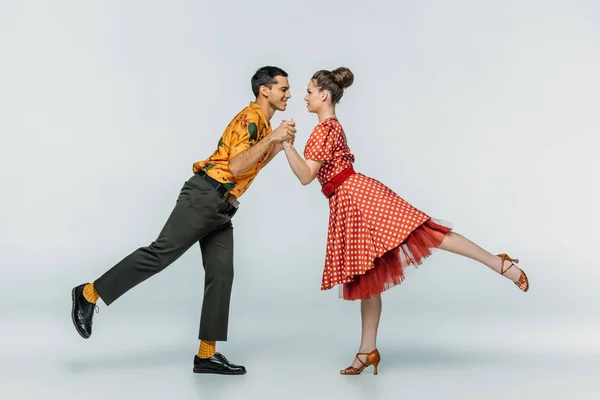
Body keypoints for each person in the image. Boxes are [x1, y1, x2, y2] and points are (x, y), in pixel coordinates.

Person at [279, 67, 529, 375]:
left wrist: (285, 144)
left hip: (356, 196)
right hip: (348, 202)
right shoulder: (331, 126)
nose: (303, 97)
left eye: (308, 91)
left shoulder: (323, 129)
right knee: (368, 279)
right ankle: (367, 351)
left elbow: (306, 176)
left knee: (426, 233)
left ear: (324, 95)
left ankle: (499, 264)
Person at [71, 66, 296, 375]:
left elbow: (253, 164)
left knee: (222, 273)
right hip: (204, 198)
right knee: (159, 254)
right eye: (283, 88)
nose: (289, 94)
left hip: (222, 208)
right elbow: (235, 166)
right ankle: (88, 293)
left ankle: (206, 354)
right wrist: (272, 136)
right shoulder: (250, 119)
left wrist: (279, 145)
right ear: (264, 90)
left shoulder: (263, 123)